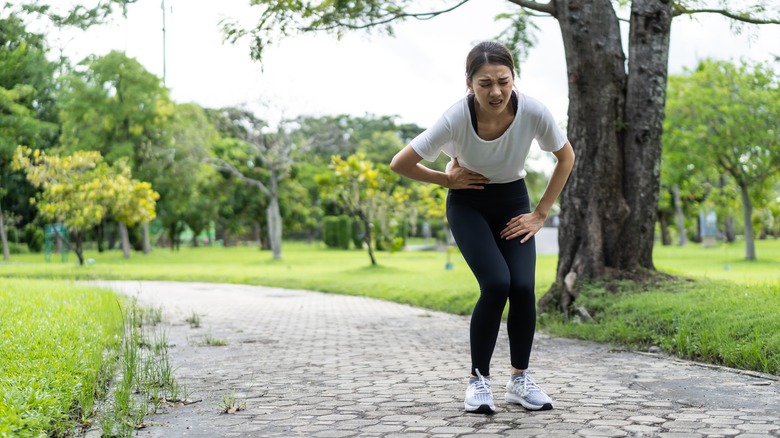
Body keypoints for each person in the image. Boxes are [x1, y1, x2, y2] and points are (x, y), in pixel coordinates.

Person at [390, 41, 575, 414]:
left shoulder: (533, 111)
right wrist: (447, 182)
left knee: (522, 286)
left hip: (514, 203)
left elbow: (565, 157)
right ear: (469, 85)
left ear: (513, 79)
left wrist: (540, 213)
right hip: (469, 203)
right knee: (496, 283)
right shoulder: (456, 117)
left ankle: (519, 381)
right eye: (485, 83)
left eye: (503, 81)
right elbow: (400, 163)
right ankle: (479, 381)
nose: (496, 92)